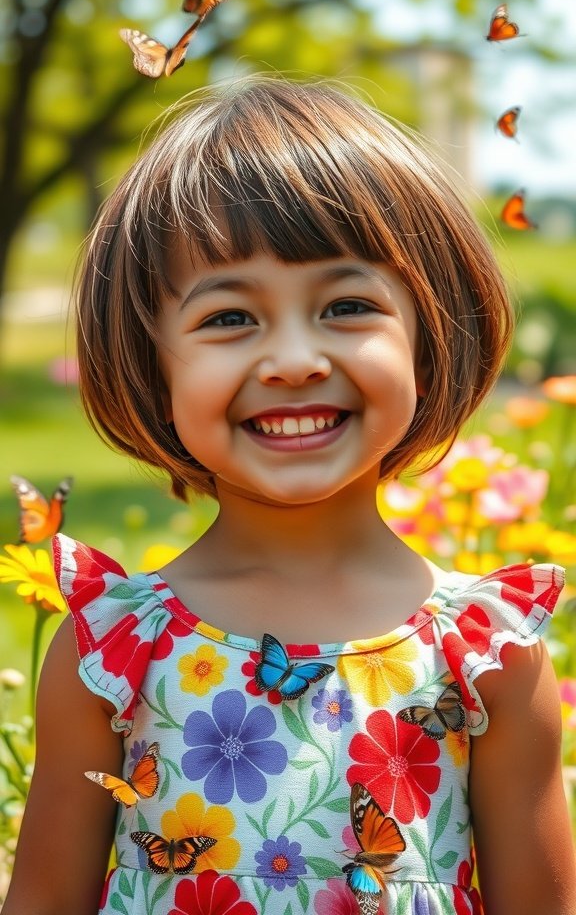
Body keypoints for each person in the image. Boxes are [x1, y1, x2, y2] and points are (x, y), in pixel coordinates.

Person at [5, 78, 575, 915]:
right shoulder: (113, 656)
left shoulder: (486, 657)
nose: (295, 360)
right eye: (230, 318)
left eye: (347, 306)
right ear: (149, 361)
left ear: (432, 333)